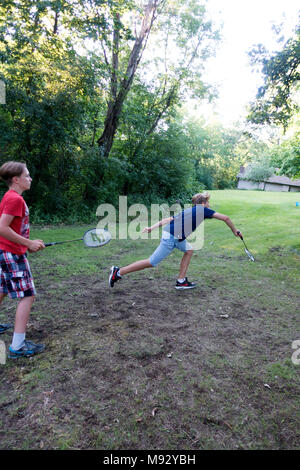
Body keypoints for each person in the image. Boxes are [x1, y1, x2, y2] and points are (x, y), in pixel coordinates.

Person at [109, 192, 242, 289]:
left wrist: (151, 228)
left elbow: (169, 219)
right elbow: (226, 218)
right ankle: (118, 272)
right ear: (202, 204)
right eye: (207, 202)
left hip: (175, 236)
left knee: (189, 250)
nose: (209, 205)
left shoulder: (189, 210)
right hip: (171, 237)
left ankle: (181, 281)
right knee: (152, 262)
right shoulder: (203, 210)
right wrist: (234, 231)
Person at [0, 161, 45, 358]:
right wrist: (27, 244)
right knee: (28, 295)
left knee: (2, 288)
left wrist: (28, 244)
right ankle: (17, 346)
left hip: (5, 251)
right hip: (10, 254)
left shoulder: (11, 197)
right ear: (16, 180)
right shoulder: (15, 199)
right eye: (27, 175)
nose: (30, 178)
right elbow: (2, 227)